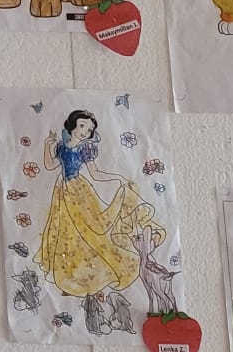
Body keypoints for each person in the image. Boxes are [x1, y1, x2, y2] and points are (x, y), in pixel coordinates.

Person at [36, 111, 160, 320]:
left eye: (90, 129)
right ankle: (72, 278)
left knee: (90, 231)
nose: (85, 131)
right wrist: (48, 146)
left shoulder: (85, 149)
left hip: (80, 193)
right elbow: (49, 166)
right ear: (72, 125)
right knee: (67, 236)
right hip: (62, 194)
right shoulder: (61, 147)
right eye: (82, 126)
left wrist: (117, 177)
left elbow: (96, 174)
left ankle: (98, 275)